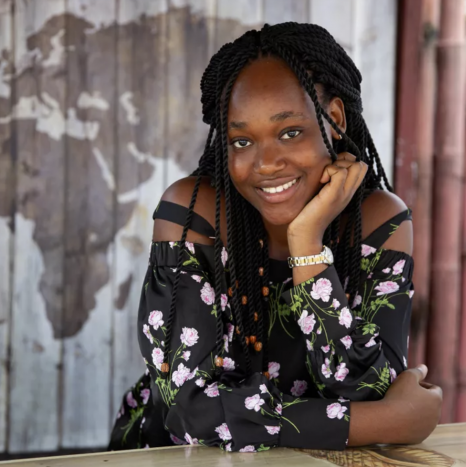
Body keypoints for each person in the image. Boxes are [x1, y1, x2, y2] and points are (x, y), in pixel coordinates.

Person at [109, 22, 442, 452]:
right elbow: (190, 413)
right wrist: (384, 422)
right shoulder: (194, 213)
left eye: (290, 133)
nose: (266, 163)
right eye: (242, 141)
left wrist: (307, 244)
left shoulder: (379, 221)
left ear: (334, 119)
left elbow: (367, 389)